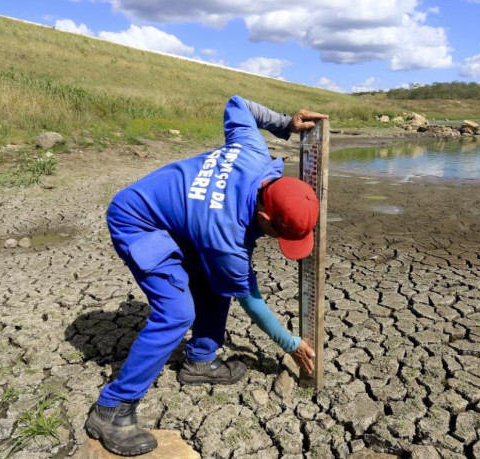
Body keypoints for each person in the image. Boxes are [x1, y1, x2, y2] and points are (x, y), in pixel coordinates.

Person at [84, 96, 328, 456]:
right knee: (176, 313)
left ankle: (200, 361)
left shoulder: (253, 153)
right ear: (265, 217)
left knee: (215, 285)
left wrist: (284, 124)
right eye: (282, 236)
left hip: (182, 218)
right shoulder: (227, 237)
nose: (282, 243)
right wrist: (291, 344)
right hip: (137, 220)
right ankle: (112, 408)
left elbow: (238, 104)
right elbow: (252, 300)